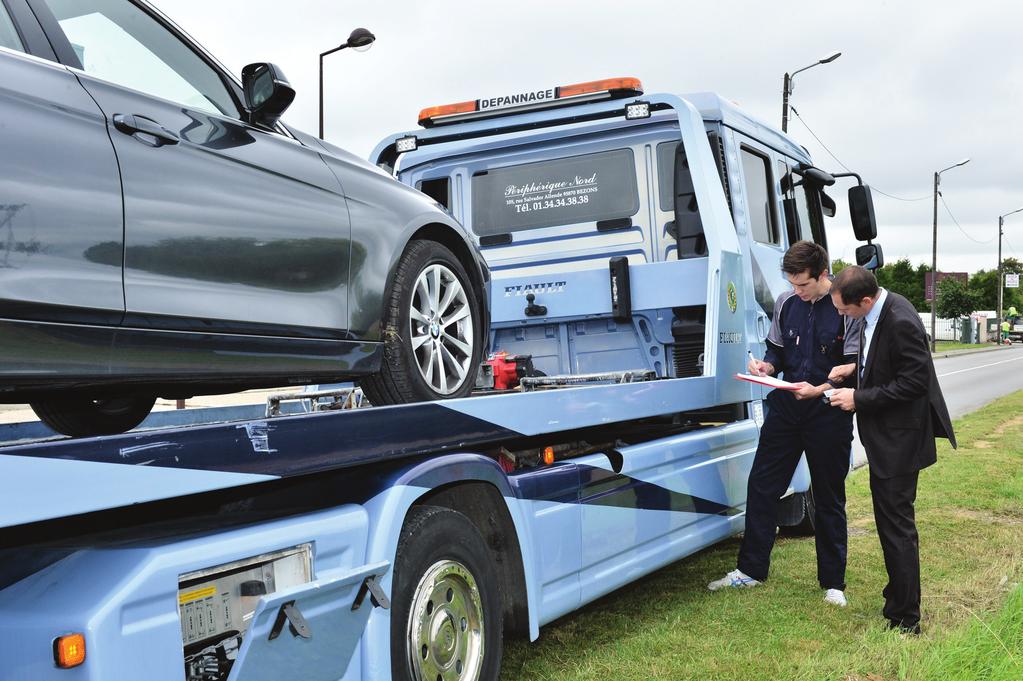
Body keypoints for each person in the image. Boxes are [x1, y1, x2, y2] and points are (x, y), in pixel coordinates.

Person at [708, 241, 857, 607]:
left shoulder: (845, 308)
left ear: (823, 275)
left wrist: (820, 388)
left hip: (828, 411)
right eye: (791, 284)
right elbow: (776, 350)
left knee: (828, 496)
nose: (797, 292)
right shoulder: (786, 304)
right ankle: (750, 571)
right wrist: (767, 367)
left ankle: (833, 583)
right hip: (787, 410)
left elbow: (856, 366)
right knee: (762, 485)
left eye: (803, 285)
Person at [827, 266, 956, 635]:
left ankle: (906, 619)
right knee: (889, 526)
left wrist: (858, 398)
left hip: (900, 442)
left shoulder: (899, 319)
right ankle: (897, 595)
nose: (842, 315)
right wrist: (853, 371)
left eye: (845, 309)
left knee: (897, 529)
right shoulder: (879, 310)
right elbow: (885, 366)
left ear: (865, 300)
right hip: (886, 441)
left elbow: (915, 383)